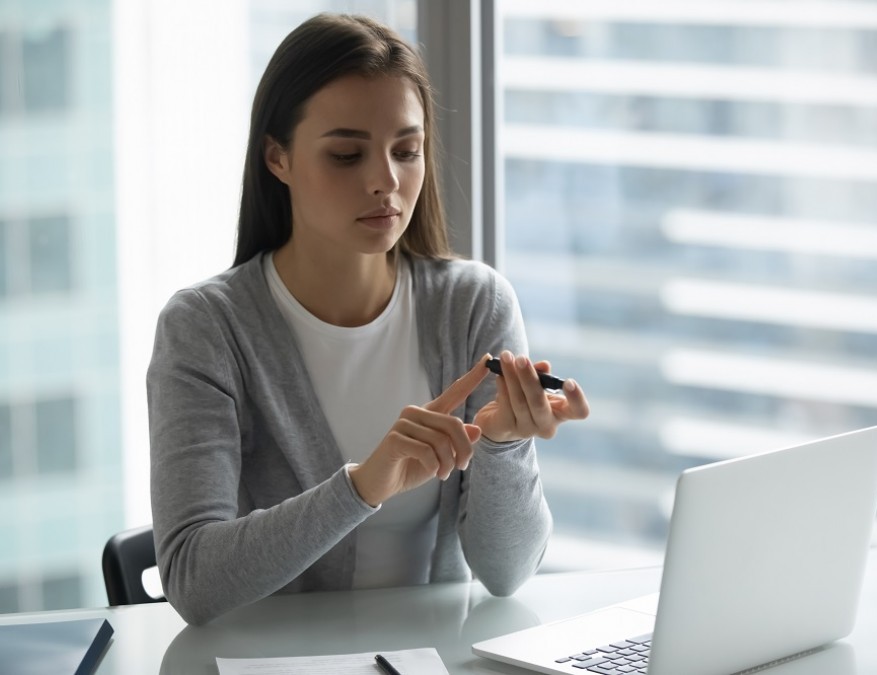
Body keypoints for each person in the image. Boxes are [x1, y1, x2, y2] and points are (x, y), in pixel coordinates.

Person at [147, 12, 590, 626]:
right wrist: (363, 486)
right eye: (347, 155)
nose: (386, 182)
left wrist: (503, 444)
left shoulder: (473, 305)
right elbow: (193, 580)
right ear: (278, 158)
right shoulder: (206, 329)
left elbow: (507, 573)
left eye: (406, 151)